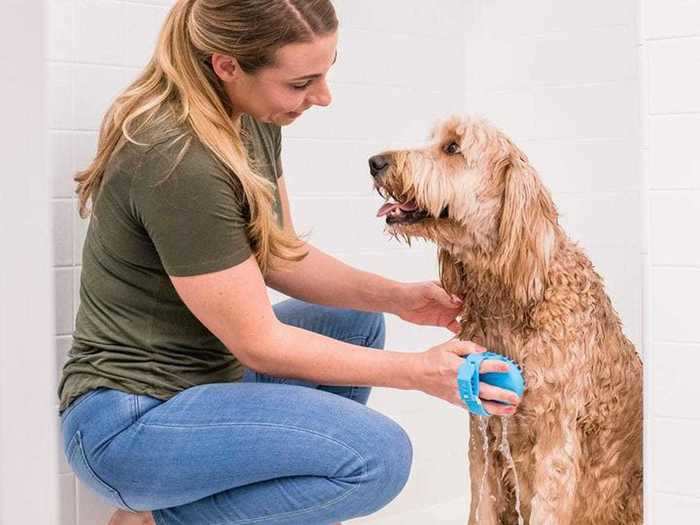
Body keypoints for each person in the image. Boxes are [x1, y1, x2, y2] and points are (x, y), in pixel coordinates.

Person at [57, 1, 521, 524]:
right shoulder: (178, 157)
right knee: (378, 459)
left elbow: (280, 254)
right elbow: (260, 343)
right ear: (227, 65)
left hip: (209, 383)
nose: (322, 97)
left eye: (326, 73)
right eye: (301, 84)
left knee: (352, 322)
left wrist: (400, 297)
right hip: (132, 422)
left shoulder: (249, 115)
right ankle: (156, 518)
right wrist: (417, 372)